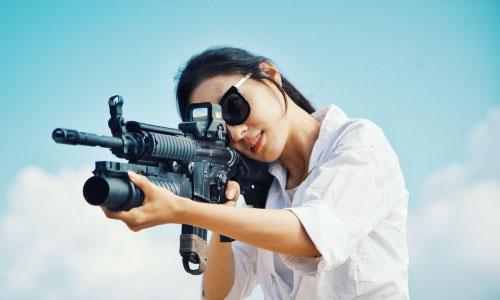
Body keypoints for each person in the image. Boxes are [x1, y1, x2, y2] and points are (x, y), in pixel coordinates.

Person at [102, 47, 410, 299]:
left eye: (234, 107)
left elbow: (311, 235)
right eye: (221, 129)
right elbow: (220, 294)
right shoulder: (265, 189)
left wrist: (183, 210)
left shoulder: (358, 143)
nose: (236, 132)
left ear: (270, 75)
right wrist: (218, 213)